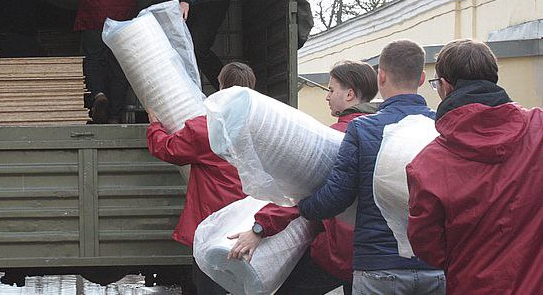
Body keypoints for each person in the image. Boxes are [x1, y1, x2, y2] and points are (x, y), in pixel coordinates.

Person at [297, 40, 445, 294]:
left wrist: (302, 206)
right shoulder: (441, 126)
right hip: (434, 265)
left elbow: (336, 196)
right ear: (421, 78)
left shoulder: (362, 129)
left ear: (381, 77)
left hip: (378, 266)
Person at [227, 60, 379, 295]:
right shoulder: (384, 131)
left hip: (341, 250)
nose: (327, 97)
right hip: (375, 252)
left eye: (331, 90)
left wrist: (259, 228)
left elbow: (300, 193)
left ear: (349, 94)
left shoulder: (335, 138)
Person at [406, 39, 542, 294]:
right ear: (494, 78)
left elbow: (429, 248)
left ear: (445, 86)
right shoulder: (539, 128)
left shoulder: (427, 164)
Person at [146, 62, 253, 294]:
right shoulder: (262, 126)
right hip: (249, 224)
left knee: (209, 282)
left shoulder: (206, 129)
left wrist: (155, 126)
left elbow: (168, 149)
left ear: (221, 86)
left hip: (212, 224)